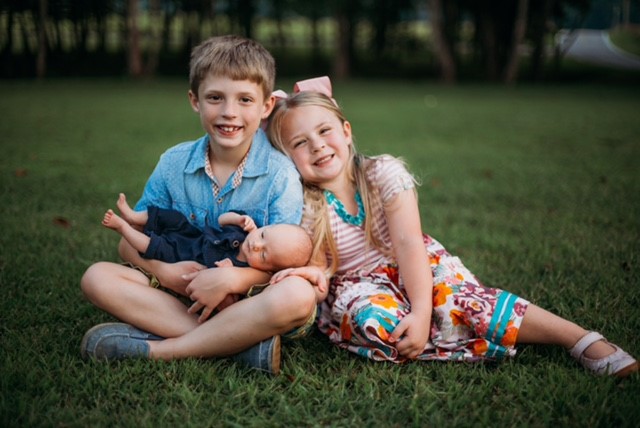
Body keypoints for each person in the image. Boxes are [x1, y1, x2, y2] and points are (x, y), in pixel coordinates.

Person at [265, 77, 638, 377]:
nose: (317, 146)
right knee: (377, 324)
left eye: (325, 131)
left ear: (346, 131)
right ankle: (467, 335)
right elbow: (318, 263)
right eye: (300, 142)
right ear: (287, 158)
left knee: (461, 302)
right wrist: (310, 276)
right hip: (357, 285)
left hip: (417, 264)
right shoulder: (304, 204)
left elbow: (410, 244)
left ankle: (579, 339)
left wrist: (423, 310)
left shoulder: (383, 174)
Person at [80, 35, 319, 375]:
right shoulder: (174, 164)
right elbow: (128, 241)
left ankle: (167, 349)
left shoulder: (280, 175)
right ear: (195, 100)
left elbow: (284, 263)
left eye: (245, 99)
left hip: (247, 301)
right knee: (96, 277)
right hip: (181, 294)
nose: (229, 112)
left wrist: (230, 281)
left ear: (266, 106)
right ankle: (240, 346)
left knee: (298, 295)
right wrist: (164, 272)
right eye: (215, 98)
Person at [102, 193, 313, 272]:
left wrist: (222, 272)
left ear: (269, 269)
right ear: (264, 227)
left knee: (152, 246)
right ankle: (133, 216)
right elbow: (221, 220)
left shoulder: (240, 269)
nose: (256, 245)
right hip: (192, 234)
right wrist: (237, 218)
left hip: (181, 255)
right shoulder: (243, 230)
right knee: (172, 218)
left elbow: (217, 290)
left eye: (264, 255)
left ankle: (123, 227)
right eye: (263, 235)